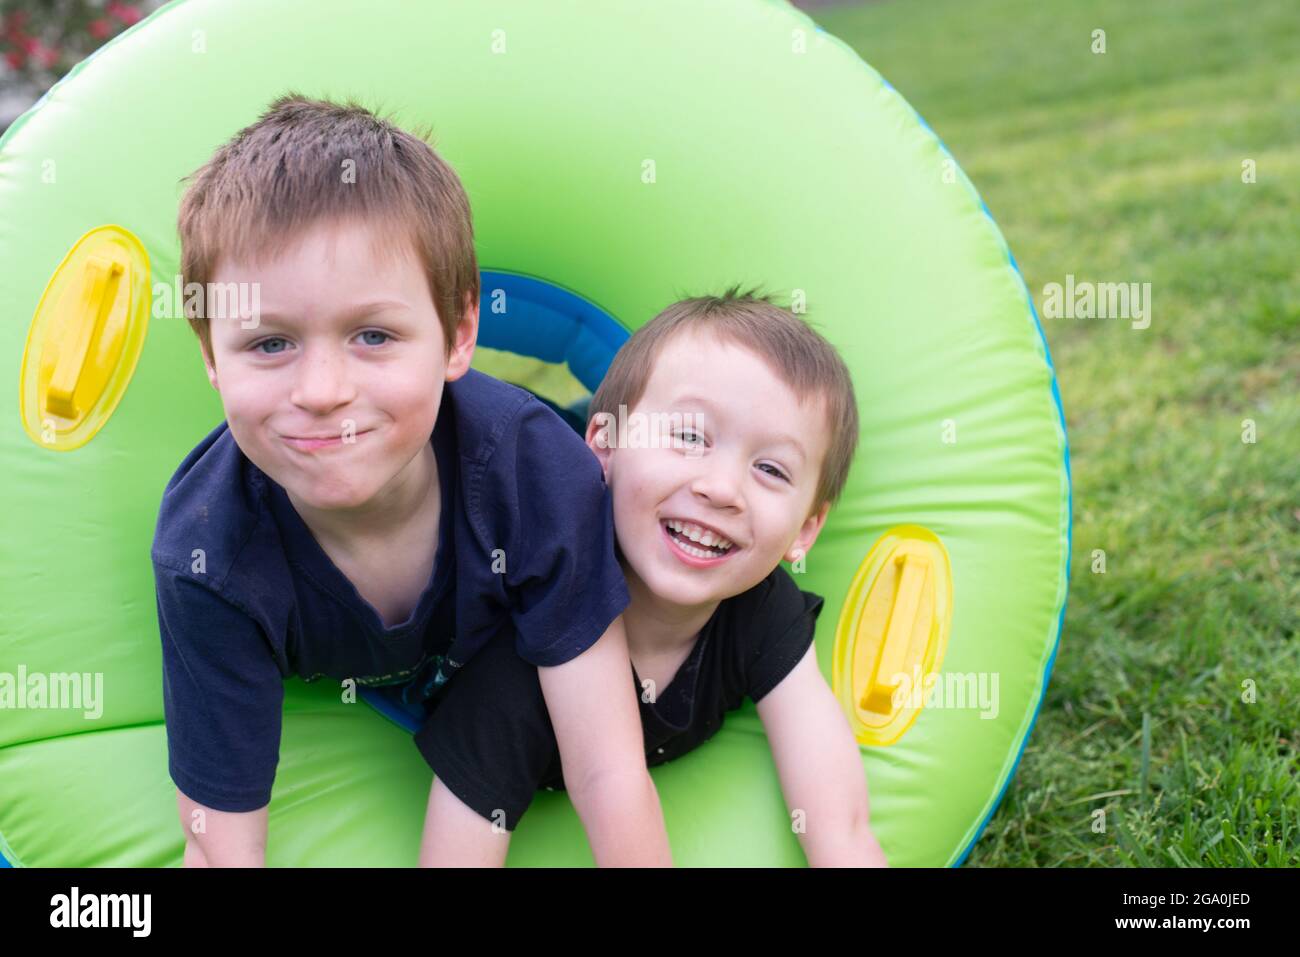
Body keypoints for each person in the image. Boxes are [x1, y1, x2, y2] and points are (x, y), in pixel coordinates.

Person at [153, 93, 671, 867]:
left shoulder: (538, 477)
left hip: (519, 575)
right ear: (209, 357)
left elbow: (605, 770)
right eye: (268, 344)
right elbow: (222, 846)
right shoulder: (210, 555)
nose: (321, 389)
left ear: (461, 336)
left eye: (373, 335)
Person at [412, 288, 889, 866]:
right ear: (604, 444)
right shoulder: (516, 672)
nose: (722, 488)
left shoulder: (761, 612)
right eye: (690, 436)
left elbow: (840, 826)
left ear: (805, 531)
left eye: (770, 468)